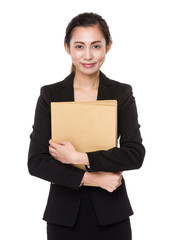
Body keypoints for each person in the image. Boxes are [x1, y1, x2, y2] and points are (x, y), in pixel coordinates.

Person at [28, 12, 145, 240]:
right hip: (64, 215)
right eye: (79, 46)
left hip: (112, 215)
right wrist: (93, 179)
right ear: (67, 48)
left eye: (96, 46)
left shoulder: (121, 93)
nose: (88, 55)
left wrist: (79, 158)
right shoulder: (50, 95)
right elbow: (36, 162)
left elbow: (134, 155)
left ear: (107, 47)